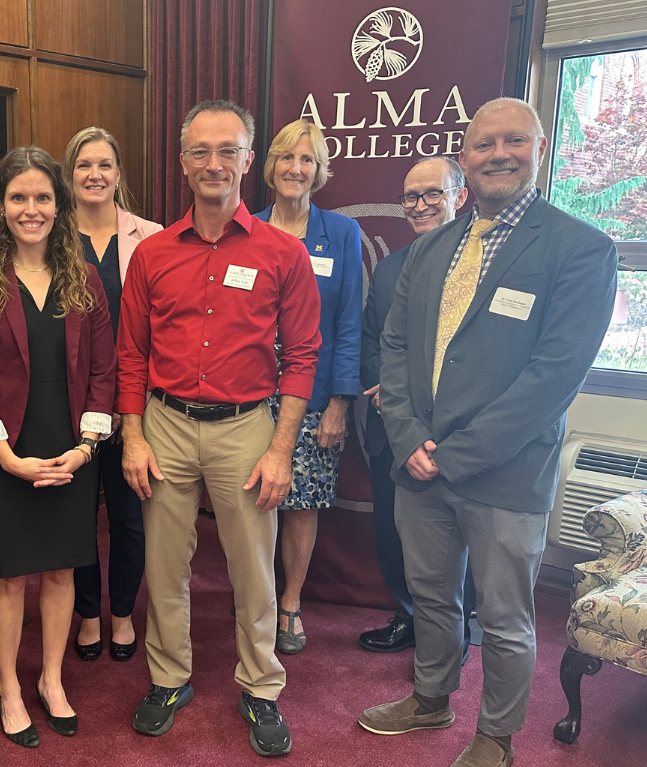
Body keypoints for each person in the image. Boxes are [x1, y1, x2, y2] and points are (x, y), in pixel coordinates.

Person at [358, 99, 618, 767]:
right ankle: (430, 698)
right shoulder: (433, 249)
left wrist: (457, 455)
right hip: (419, 466)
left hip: (504, 473)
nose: (498, 154)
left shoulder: (580, 249)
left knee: (504, 618)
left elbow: (554, 376)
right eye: (482, 145)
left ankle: (496, 738)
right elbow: (394, 350)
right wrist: (410, 435)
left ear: (539, 147)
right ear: (464, 159)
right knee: (432, 597)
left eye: (514, 141)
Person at [119, 99, 321, 757]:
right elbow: (129, 354)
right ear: (182, 164)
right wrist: (133, 435)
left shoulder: (282, 254)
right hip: (166, 423)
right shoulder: (151, 255)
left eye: (227, 150)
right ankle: (169, 678)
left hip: (246, 428)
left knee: (253, 569)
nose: (214, 163)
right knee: (165, 564)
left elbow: (303, 357)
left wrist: (281, 450)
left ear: (248, 161)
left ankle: (261, 685)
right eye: (200, 151)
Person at [0, 145, 116, 747]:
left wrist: (88, 446)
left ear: (59, 205)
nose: (31, 208)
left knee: (64, 570)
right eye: (18, 197)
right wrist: (7, 457)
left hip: (69, 445)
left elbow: (103, 370)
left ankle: (50, 680)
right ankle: (9, 688)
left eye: (43, 197)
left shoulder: (84, 277)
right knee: (11, 576)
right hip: (3, 451)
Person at [359, 156, 476, 659]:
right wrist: (386, 388)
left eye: (434, 194)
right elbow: (370, 343)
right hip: (393, 431)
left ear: (460, 197)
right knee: (394, 536)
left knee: (457, 545)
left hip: (456, 436)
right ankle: (410, 618)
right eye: (411, 196)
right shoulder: (388, 269)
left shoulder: (480, 264)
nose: (421, 205)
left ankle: (456, 632)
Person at [253, 120, 362, 654]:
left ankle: (290, 602)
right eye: (286, 158)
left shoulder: (340, 233)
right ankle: (256, 598)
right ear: (268, 165)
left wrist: (340, 401)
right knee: (251, 500)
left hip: (314, 394)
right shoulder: (244, 226)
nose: (296, 168)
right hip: (246, 392)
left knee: (300, 501)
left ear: (320, 172)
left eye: (308, 160)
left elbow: (347, 323)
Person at [63, 126, 162, 663]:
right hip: (68, 405)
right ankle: (87, 614)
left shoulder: (152, 236)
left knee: (127, 516)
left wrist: (136, 409)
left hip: (134, 405)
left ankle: (122, 612)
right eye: (83, 165)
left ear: (119, 175)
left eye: (104, 164)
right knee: (77, 516)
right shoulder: (47, 233)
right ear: (70, 175)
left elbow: (160, 330)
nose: (94, 174)